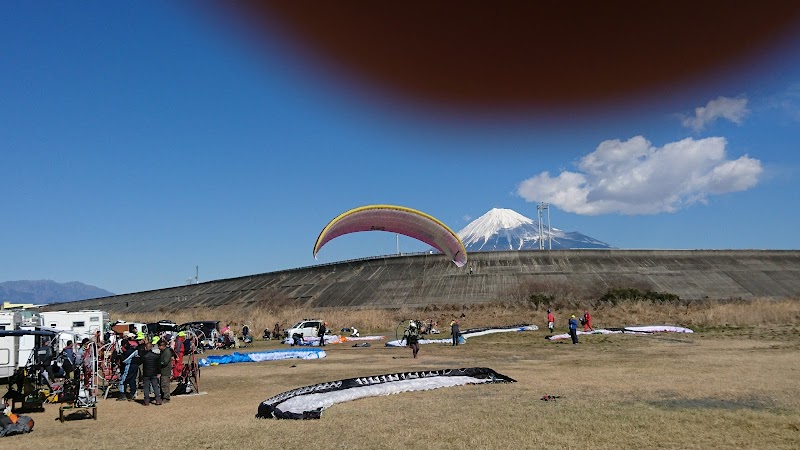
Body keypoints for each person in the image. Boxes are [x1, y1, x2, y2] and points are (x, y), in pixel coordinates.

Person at [157, 339, 175, 403]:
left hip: (165, 370)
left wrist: (158, 363)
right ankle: (163, 396)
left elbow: (165, 362)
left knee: (165, 385)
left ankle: (166, 398)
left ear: (162, 346)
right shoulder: (163, 351)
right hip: (162, 370)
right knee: (162, 384)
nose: (158, 347)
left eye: (159, 346)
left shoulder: (167, 352)